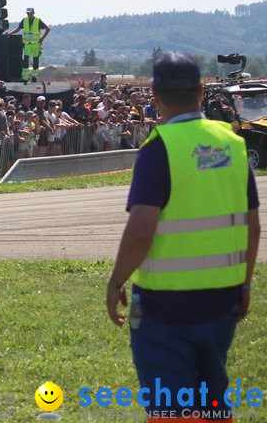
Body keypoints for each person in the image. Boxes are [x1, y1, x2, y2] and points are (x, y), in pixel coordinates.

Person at [106, 53, 259, 419]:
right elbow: (252, 226)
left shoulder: (159, 149)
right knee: (212, 400)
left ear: (155, 94)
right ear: (202, 91)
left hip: (165, 305)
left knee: (171, 407)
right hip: (222, 300)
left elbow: (142, 230)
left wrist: (115, 282)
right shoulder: (231, 144)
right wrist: (246, 285)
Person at [6, 7, 50, 82]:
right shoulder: (24, 20)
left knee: (35, 60)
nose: (28, 14)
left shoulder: (38, 21)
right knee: (25, 60)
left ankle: (34, 77)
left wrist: (42, 38)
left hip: (36, 44)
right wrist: (10, 33)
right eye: (27, 13)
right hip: (27, 44)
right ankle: (25, 77)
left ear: (33, 13)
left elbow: (48, 29)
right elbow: (18, 29)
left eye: (30, 13)